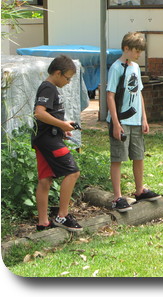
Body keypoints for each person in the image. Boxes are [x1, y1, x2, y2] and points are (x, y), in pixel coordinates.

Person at [107, 32, 160, 212]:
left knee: (138, 155)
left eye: (140, 52)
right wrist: (115, 122)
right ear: (126, 49)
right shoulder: (115, 68)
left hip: (136, 120)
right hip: (121, 121)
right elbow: (110, 95)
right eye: (136, 51)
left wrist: (144, 118)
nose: (138, 55)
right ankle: (117, 197)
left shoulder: (136, 67)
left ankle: (140, 190)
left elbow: (139, 94)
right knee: (118, 158)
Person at [32, 55, 82, 232]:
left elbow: (49, 116)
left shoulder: (50, 88)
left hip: (46, 138)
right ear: (58, 73)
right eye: (67, 78)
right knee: (73, 172)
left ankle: (43, 223)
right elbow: (39, 113)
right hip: (48, 141)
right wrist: (61, 124)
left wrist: (62, 128)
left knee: (45, 180)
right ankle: (62, 215)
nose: (68, 82)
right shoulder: (48, 87)